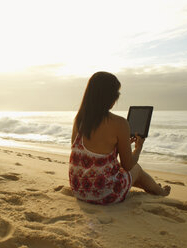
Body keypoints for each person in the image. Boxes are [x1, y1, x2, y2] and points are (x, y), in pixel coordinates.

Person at [69, 71, 170, 205]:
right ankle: (160, 192)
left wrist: (117, 148)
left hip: (79, 190)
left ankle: (154, 188)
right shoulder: (119, 123)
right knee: (136, 169)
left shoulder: (79, 120)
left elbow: (87, 157)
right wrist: (138, 148)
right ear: (111, 97)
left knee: (124, 174)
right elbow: (127, 165)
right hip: (103, 195)